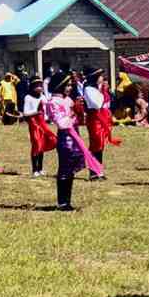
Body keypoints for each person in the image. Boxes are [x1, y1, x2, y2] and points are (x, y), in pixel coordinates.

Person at [45, 71, 84, 211]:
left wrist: (79, 111)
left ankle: (67, 201)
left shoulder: (68, 100)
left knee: (71, 171)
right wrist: (74, 113)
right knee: (64, 170)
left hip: (75, 136)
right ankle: (62, 202)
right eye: (67, 85)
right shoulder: (53, 102)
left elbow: (76, 120)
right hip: (65, 139)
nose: (69, 88)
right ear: (59, 85)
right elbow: (61, 123)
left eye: (70, 85)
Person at [82, 68, 120, 179]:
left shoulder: (97, 89)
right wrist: (101, 90)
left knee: (101, 145)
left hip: (101, 118)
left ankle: (99, 171)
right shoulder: (89, 89)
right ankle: (93, 172)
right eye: (100, 76)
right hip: (94, 118)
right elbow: (97, 104)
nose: (102, 78)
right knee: (96, 144)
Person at [22, 77, 55, 177]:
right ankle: (34, 169)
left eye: (40, 86)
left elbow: (47, 107)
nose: (39, 88)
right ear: (32, 87)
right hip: (34, 123)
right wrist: (36, 112)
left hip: (42, 123)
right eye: (37, 86)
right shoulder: (28, 97)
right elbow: (25, 113)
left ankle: (40, 168)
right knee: (36, 144)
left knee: (43, 144)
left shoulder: (43, 97)